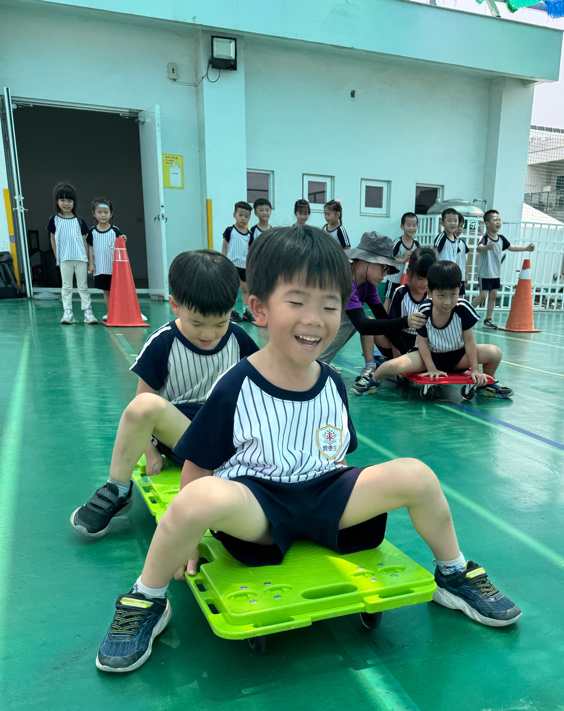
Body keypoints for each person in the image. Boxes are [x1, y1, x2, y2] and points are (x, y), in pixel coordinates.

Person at [93, 226, 521, 673]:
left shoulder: (332, 382)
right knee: (197, 497)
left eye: (329, 306)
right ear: (259, 308)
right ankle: (147, 597)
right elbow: (197, 468)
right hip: (259, 506)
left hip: (325, 494)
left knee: (417, 474)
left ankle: (452, 573)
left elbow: (338, 456)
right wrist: (190, 538)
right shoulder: (236, 383)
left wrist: (349, 493)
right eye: (297, 303)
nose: (315, 319)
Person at [70, 250, 258, 540]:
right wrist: (149, 450)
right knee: (145, 405)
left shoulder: (238, 338)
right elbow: (141, 407)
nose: (209, 334)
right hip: (183, 435)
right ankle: (118, 489)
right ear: (175, 305)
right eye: (198, 323)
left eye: (220, 323)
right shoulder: (163, 343)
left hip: (228, 439)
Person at [354, 259, 513, 399]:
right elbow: (422, 342)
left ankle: (485, 385)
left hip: (458, 357)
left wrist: (476, 370)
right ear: (430, 292)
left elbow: (469, 340)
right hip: (427, 356)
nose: (447, 302)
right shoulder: (425, 310)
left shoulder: (463, 308)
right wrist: (431, 368)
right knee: (392, 366)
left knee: (495, 353)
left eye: (453, 294)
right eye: (441, 295)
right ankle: (372, 379)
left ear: (459, 289)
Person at [318, 231, 426, 375]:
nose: (385, 274)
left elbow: (383, 318)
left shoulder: (368, 284)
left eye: (388, 269)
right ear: (366, 261)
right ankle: (317, 362)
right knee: (354, 319)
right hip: (313, 324)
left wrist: (408, 355)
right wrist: (406, 321)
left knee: (358, 318)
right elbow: (363, 325)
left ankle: (321, 362)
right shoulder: (344, 279)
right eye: (383, 267)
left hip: (324, 328)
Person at [473, 209, 535, 328]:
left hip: (495, 273)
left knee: (493, 295)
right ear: (487, 223)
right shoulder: (484, 238)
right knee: (483, 295)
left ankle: (488, 318)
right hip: (485, 273)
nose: (498, 222)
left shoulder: (501, 239)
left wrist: (526, 248)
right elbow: (479, 248)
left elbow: (511, 247)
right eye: (495, 220)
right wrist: (486, 248)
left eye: (499, 220)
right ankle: (465, 313)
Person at [48, 181, 97, 325]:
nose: (66, 203)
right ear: (57, 201)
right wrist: (57, 257)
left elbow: (85, 242)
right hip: (64, 259)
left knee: (83, 286)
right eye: (62, 200)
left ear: (74, 202)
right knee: (66, 286)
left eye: (69, 200)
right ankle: (67, 312)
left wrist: (90, 261)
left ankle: (88, 312)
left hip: (80, 259)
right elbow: (53, 239)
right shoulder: (54, 220)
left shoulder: (80, 221)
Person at [377, 247, 436, 360]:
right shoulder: (400, 293)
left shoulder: (433, 295)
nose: (425, 283)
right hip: (399, 341)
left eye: (428, 278)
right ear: (408, 273)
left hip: (421, 344)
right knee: (371, 330)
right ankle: (369, 364)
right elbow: (392, 326)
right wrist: (396, 354)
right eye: (420, 278)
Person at [86, 198, 123, 320]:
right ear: (94, 214)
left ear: (111, 214)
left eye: (106, 212)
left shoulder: (115, 230)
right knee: (106, 292)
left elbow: (121, 247)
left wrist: (124, 241)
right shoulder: (92, 232)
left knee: (116, 291)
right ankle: (111, 313)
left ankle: (119, 313)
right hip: (101, 268)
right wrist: (91, 264)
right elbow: (90, 248)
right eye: (100, 212)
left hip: (114, 268)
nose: (103, 215)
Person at [221, 201, 254, 322]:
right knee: (233, 289)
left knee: (245, 289)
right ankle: (231, 311)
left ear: (249, 218)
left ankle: (246, 312)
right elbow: (224, 247)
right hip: (232, 265)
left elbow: (249, 251)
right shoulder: (230, 230)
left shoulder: (249, 235)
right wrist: (223, 261)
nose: (243, 218)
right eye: (241, 215)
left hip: (244, 267)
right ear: (234, 215)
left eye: (246, 216)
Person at [383, 212, 419, 306]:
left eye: (414, 225)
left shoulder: (416, 243)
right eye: (408, 225)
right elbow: (390, 257)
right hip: (394, 278)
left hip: (407, 279)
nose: (411, 228)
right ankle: (383, 315)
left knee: (403, 300)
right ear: (402, 226)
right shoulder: (397, 242)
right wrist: (403, 259)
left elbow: (419, 259)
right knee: (389, 299)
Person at [433, 208, 468, 294]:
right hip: (442, 272)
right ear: (442, 223)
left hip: (453, 273)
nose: (453, 223)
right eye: (449, 221)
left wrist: (464, 274)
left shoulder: (457, 240)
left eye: (455, 221)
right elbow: (435, 253)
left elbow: (458, 257)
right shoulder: (441, 237)